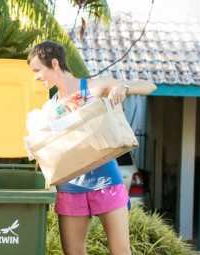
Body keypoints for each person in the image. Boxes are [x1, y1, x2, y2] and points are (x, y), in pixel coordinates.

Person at [27, 41, 156, 255]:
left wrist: (122, 88)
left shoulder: (93, 88)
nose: (36, 77)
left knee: (121, 252)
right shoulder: (50, 109)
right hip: (70, 188)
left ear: (55, 63)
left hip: (107, 181)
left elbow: (149, 85)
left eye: (37, 70)